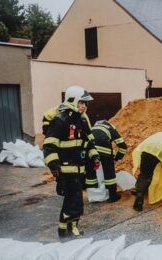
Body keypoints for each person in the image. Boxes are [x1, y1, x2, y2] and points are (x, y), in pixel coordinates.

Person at [43, 86, 100, 238]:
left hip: (79, 168)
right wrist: (54, 166)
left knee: (74, 200)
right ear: (72, 101)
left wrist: (94, 156)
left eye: (86, 104)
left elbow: (87, 142)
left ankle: (66, 229)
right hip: (66, 169)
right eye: (82, 102)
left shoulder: (81, 120)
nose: (84, 106)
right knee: (74, 200)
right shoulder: (60, 120)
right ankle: (68, 230)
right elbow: (49, 145)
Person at [84, 120, 127, 202]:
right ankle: (113, 196)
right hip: (105, 152)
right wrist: (117, 157)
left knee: (91, 174)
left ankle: (93, 196)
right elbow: (123, 146)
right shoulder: (110, 128)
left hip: (89, 152)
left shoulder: (92, 128)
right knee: (109, 174)